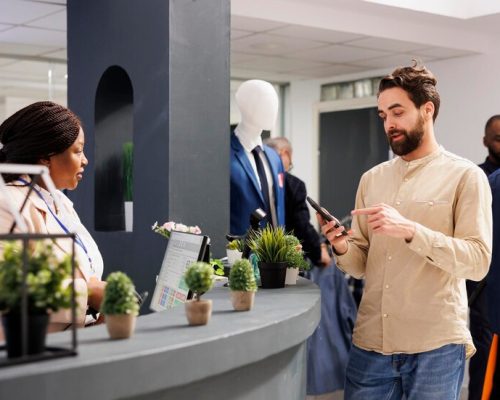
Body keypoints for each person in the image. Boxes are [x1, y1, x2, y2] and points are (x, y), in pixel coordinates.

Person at [319, 62, 492, 400]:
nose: (389, 124)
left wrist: (412, 231)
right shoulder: (372, 179)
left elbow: (478, 261)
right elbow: (360, 263)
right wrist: (341, 247)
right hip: (371, 344)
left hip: (436, 347)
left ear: (427, 110)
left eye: (397, 112)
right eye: (383, 115)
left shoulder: (465, 177)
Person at [0, 101, 105, 339]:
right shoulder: (7, 203)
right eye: (78, 151)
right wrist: (88, 292)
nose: (85, 160)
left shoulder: (59, 202)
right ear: (46, 157)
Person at [468, 115, 500, 400]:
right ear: (485, 142)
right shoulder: (479, 180)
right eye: (498, 138)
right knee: (485, 361)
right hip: (485, 288)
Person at [230, 79, 285, 236]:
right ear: (245, 106)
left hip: (276, 255)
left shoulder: (273, 157)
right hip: (240, 253)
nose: (273, 109)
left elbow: (278, 207)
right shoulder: (224, 155)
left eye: (275, 103)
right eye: (266, 103)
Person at [265, 136, 330, 266]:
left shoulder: (255, 182)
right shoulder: (293, 185)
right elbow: (302, 225)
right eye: (290, 163)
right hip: (286, 262)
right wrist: (319, 250)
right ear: (285, 153)